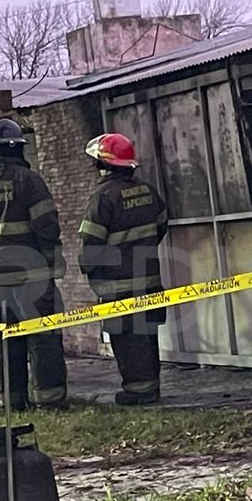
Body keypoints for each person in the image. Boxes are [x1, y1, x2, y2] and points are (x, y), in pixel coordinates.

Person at [0, 118, 68, 411]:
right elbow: (47, 224)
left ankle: (12, 402)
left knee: (4, 341)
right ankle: (50, 400)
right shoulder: (30, 181)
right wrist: (51, 261)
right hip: (32, 277)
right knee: (43, 338)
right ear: (18, 149)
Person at [78, 132, 168, 405]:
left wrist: (89, 267)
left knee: (127, 339)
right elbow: (161, 226)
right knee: (147, 335)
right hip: (149, 281)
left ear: (104, 165)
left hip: (118, 286)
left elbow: (91, 244)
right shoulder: (148, 191)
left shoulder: (103, 197)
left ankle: (139, 391)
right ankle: (151, 386)